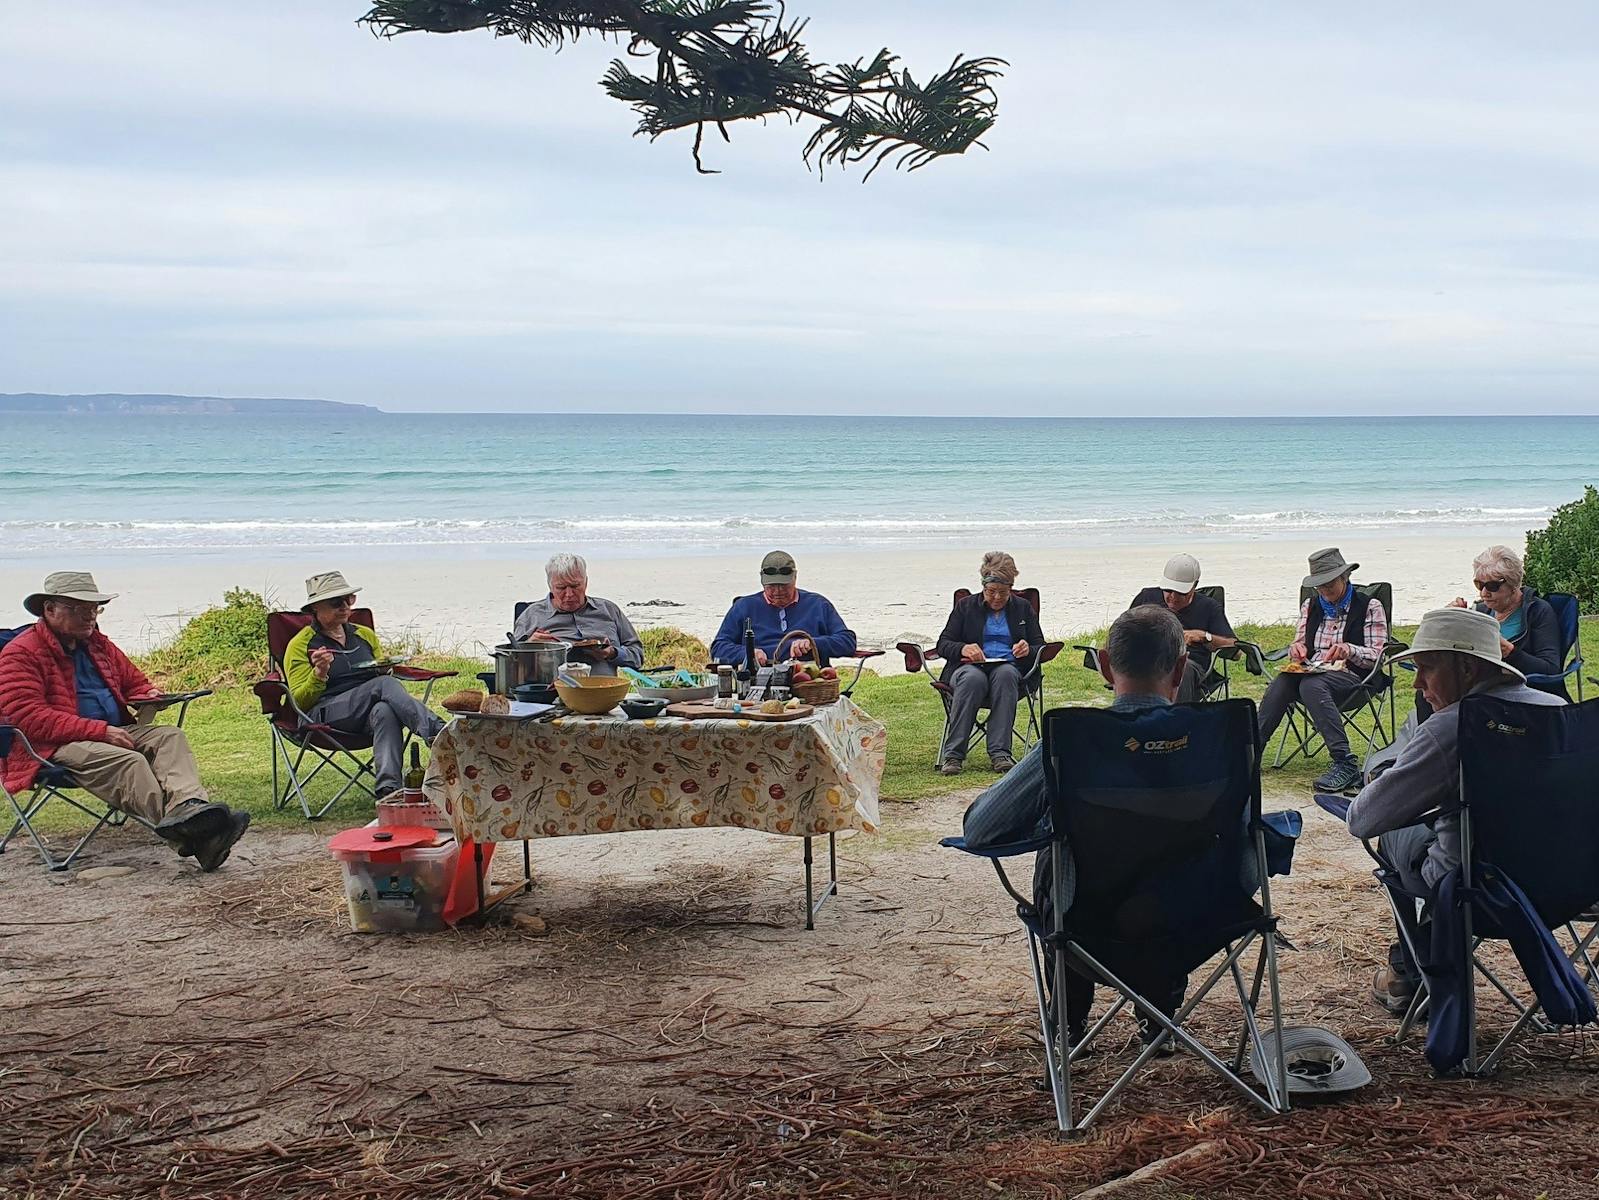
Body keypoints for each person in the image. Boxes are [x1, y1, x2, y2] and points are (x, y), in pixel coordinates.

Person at [962, 604, 1193, 1049]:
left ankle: (1068, 1025)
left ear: (1104, 664)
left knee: (1065, 857)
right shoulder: (1215, 742)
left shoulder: (1071, 742)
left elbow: (982, 829)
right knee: (1172, 868)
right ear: (1181, 667)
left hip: (1085, 924)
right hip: (1197, 921)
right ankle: (1160, 1019)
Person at [1343, 608, 1565, 1015]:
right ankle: (1414, 970)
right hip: (1568, 886)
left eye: (1426, 668)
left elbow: (1362, 819)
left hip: (1474, 891)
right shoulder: (1558, 712)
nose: (1417, 682)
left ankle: (1412, 975)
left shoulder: (1452, 727)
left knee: (1391, 837)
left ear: (1466, 669)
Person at [0, 571, 249, 870]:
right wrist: (99, 731)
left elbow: (133, 682)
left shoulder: (97, 644)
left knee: (170, 736)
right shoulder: (20, 653)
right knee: (128, 761)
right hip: (51, 745)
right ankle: (203, 835)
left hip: (111, 730)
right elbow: (29, 718)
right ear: (49, 609)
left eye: (94, 608)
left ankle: (191, 808)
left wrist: (148, 692)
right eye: (79, 609)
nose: (89, 616)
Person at [284, 571, 444, 799]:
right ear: (315, 609)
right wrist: (318, 674)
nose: (345, 606)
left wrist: (382, 669)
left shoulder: (364, 635)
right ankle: (438, 733)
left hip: (365, 711)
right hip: (322, 714)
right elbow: (299, 702)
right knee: (384, 685)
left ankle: (389, 790)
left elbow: (379, 670)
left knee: (385, 710)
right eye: (336, 602)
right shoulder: (301, 645)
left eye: (349, 599)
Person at [1256, 547, 1388, 793]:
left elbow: (1376, 657)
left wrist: (1349, 650)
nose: (1325, 592)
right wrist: (1297, 650)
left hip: (1355, 679)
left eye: (1329, 585)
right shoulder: (1311, 605)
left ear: (1345, 577)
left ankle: (1344, 762)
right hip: (1314, 674)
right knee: (1285, 679)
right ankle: (1251, 751)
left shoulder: (1370, 606)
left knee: (1311, 684)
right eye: (1320, 587)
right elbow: (1299, 642)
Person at [931, 552, 1043, 776]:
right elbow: (943, 644)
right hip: (967, 668)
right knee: (972, 679)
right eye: (991, 592)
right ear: (983, 586)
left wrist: (1026, 649)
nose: (997, 598)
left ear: (1011, 588)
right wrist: (963, 648)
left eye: (1003, 592)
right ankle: (953, 755)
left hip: (1008, 668)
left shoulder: (1022, 608)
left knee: (1005, 676)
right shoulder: (966, 606)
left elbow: (1040, 645)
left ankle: (1000, 753)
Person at [1443, 545, 1566, 700]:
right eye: (1479, 584)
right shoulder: (1480, 611)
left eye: (1492, 586)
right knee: (1428, 690)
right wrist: (1450, 620)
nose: (1483, 593)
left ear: (1513, 584)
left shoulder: (1538, 612)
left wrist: (1510, 652)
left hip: (1515, 692)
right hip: (1478, 686)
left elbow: (1551, 670)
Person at [710, 551, 856, 668]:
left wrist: (813, 643)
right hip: (759, 678)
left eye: (784, 585)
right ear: (762, 581)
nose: (778, 591)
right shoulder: (743, 607)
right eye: (771, 586)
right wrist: (747, 653)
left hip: (807, 680)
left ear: (795, 578)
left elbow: (847, 641)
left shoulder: (818, 604)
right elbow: (718, 647)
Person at [511, 553, 644, 677]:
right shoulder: (532, 615)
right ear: (550, 586)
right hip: (552, 695)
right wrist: (529, 647)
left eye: (575, 586)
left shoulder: (608, 610)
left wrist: (612, 653)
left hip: (604, 694)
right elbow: (512, 666)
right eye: (561, 588)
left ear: (586, 582)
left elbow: (638, 656)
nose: (569, 594)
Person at [1128, 553, 1236, 702]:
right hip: (1149, 659)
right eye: (1168, 590)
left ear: (1194, 586)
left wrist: (1205, 636)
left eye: (1180, 592)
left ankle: (1176, 720)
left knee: (1180, 668)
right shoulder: (1147, 597)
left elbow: (1235, 651)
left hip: (1188, 664)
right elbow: (1121, 633)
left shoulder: (1208, 607)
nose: (1172, 596)